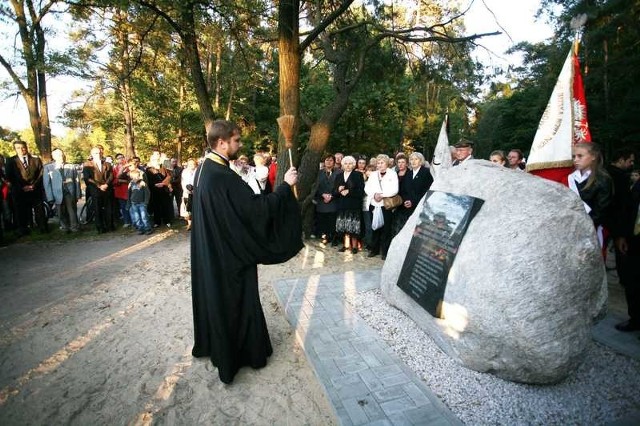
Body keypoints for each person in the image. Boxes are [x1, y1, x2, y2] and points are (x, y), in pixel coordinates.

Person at [190, 119, 302, 384]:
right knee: (234, 304)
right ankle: (241, 356)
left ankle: (215, 346)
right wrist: (285, 186)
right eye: (237, 140)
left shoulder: (206, 169)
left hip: (214, 254)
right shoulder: (221, 176)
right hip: (230, 260)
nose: (240, 145)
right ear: (221, 142)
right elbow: (256, 210)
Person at [605, 148, 640, 332]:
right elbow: (626, 209)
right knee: (632, 281)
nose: (632, 164)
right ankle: (635, 319)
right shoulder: (630, 182)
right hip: (633, 240)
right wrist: (621, 235)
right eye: (630, 160)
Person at [569, 142, 613, 246]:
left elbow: (601, 210)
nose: (575, 160)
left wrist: (582, 227)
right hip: (571, 229)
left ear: (593, 156)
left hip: (592, 230)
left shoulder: (602, 179)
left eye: (580, 156)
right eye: (574, 156)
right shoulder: (570, 178)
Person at [6, 140, 47, 236]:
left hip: (35, 190)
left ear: (26, 147)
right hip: (20, 191)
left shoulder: (36, 160)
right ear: (15, 149)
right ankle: (23, 230)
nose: (21, 150)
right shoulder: (11, 161)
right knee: (20, 211)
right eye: (18, 148)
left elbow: (41, 174)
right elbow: (9, 177)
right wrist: (22, 187)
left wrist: (34, 185)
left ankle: (42, 228)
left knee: (39, 210)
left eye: (22, 147)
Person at [364, 154, 399, 260]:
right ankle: (374, 249)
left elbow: (395, 189)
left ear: (387, 163)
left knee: (386, 228)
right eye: (378, 163)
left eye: (382, 162)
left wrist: (382, 195)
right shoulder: (373, 174)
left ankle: (385, 251)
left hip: (386, 204)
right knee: (375, 227)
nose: (380, 165)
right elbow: (367, 188)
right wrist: (374, 195)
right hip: (373, 203)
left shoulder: (392, 174)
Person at [43, 148, 81, 233]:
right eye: (58, 155)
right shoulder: (48, 168)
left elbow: (76, 181)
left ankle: (74, 227)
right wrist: (50, 196)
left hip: (70, 192)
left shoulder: (71, 166)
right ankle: (64, 227)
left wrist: (78, 193)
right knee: (60, 211)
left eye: (61, 154)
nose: (60, 156)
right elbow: (47, 184)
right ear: (53, 156)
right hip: (57, 193)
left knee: (72, 210)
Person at [333, 155, 365, 253]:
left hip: (353, 205)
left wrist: (349, 191)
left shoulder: (358, 175)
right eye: (345, 163)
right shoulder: (338, 176)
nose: (347, 165)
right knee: (343, 226)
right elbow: (334, 192)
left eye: (350, 163)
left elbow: (361, 192)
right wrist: (338, 190)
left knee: (353, 226)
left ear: (353, 165)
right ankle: (346, 245)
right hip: (342, 205)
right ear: (342, 165)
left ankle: (354, 247)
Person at [83, 146, 115, 233]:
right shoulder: (87, 164)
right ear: (92, 154)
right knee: (97, 209)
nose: (98, 154)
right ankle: (100, 228)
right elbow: (87, 178)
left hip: (107, 189)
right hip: (95, 190)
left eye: (99, 152)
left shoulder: (107, 164)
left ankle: (110, 226)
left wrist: (106, 184)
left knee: (108, 208)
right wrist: (99, 185)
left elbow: (111, 175)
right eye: (96, 153)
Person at [314, 154, 340, 245]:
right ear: (324, 162)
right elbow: (315, 186)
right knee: (323, 220)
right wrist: (322, 195)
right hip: (322, 200)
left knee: (333, 220)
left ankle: (334, 238)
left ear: (334, 162)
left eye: (331, 160)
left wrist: (331, 196)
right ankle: (325, 237)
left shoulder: (339, 172)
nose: (329, 162)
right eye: (327, 160)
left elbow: (340, 186)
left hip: (334, 199)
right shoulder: (319, 173)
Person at [145, 152, 173, 228]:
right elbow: (148, 180)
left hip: (164, 189)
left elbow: (169, 176)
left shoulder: (163, 167)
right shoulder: (149, 169)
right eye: (154, 159)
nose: (156, 160)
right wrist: (155, 185)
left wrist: (164, 184)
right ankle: (157, 222)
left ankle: (167, 221)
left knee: (165, 206)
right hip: (154, 190)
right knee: (156, 206)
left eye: (157, 158)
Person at [127, 168, 153, 235]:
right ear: (131, 177)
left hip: (142, 203)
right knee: (137, 217)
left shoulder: (142, 183)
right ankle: (140, 228)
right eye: (135, 177)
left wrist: (146, 202)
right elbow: (129, 194)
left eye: (138, 176)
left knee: (144, 216)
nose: (137, 178)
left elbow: (147, 193)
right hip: (134, 203)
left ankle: (148, 228)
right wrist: (128, 203)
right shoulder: (131, 184)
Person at [112, 153, 132, 228]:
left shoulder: (128, 166)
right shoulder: (114, 168)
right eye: (118, 158)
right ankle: (127, 221)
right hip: (120, 190)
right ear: (116, 160)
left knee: (131, 205)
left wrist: (123, 181)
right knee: (123, 206)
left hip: (129, 188)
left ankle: (134, 220)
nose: (120, 159)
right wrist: (119, 181)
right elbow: (114, 180)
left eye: (122, 157)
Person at [180, 158, 197, 230]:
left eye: (193, 164)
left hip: (196, 192)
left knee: (196, 208)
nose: (191, 165)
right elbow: (183, 182)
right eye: (189, 164)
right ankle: (189, 224)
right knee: (187, 208)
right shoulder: (185, 171)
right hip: (187, 192)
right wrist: (186, 189)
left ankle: (196, 223)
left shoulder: (198, 171)